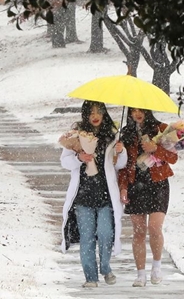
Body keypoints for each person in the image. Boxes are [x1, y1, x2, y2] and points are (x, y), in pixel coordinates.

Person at [59, 101, 126, 288]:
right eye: (91, 113)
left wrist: (121, 152)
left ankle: (105, 267)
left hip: (105, 195)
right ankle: (90, 277)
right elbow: (65, 162)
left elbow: (119, 165)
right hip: (83, 195)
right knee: (87, 237)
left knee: (106, 233)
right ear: (85, 115)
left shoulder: (112, 136)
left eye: (98, 112)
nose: (95, 116)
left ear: (104, 114)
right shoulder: (76, 136)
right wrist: (79, 158)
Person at [118, 108, 178, 287]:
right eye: (133, 110)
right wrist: (123, 187)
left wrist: (156, 149)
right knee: (138, 231)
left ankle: (157, 267)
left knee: (154, 227)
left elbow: (173, 157)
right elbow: (122, 166)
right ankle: (140, 274)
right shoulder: (126, 134)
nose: (137, 113)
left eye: (140, 110)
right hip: (135, 184)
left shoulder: (162, 129)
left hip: (158, 182)